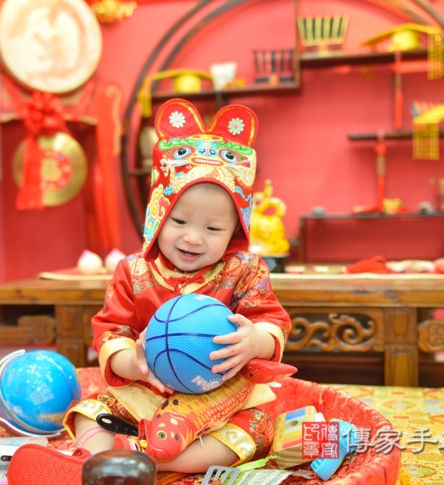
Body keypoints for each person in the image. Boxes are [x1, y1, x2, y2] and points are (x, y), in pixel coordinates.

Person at [65, 98, 292, 474]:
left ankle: (152, 462)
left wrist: (255, 341)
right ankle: (99, 463)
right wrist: (133, 364)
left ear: (235, 231)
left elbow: (272, 320)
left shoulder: (244, 270)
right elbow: (111, 332)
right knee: (90, 412)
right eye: (180, 221)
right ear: (157, 215)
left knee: (254, 429)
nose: (193, 238)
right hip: (148, 390)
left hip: (220, 393)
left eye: (213, 228)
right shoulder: (133, 271)